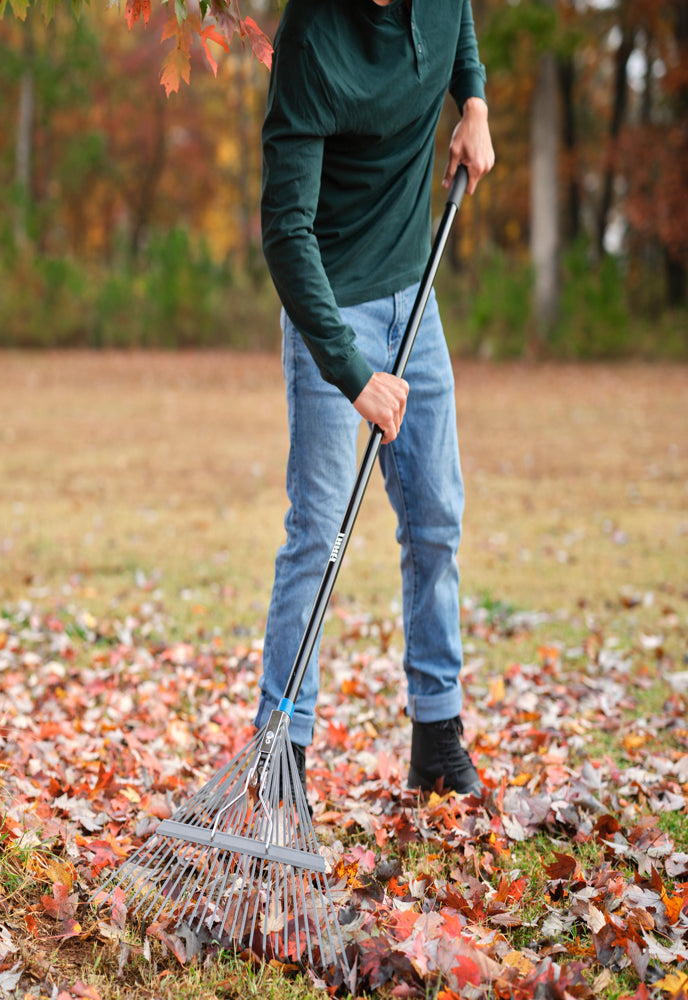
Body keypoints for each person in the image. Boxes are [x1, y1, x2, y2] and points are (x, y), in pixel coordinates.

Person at [254, 0, 496, 800]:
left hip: (411, 295)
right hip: (332, 304)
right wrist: (352, 373)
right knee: (317, 530)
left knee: (436, 518)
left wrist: (474, 100)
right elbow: (285, 231)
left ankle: (437, 734)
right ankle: (280, 760)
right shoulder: (314, 38)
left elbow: (455, 22)